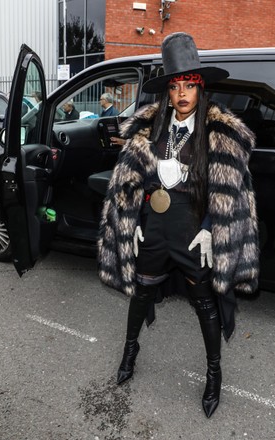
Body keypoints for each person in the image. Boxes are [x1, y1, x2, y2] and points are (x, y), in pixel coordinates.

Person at [98, 32, 259, 418]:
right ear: (167, 92)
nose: (183, 93)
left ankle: (214, 374)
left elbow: (230, 190)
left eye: (190, 84)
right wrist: (134, 219)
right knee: (140, 292)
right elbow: (129, 181)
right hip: (154, 228)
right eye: (176, 86)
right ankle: (130, 352)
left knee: (204, 302)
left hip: (192, 233)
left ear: (200, 89)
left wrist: (209, 226)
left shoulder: (218, 134)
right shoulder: (149, 131)